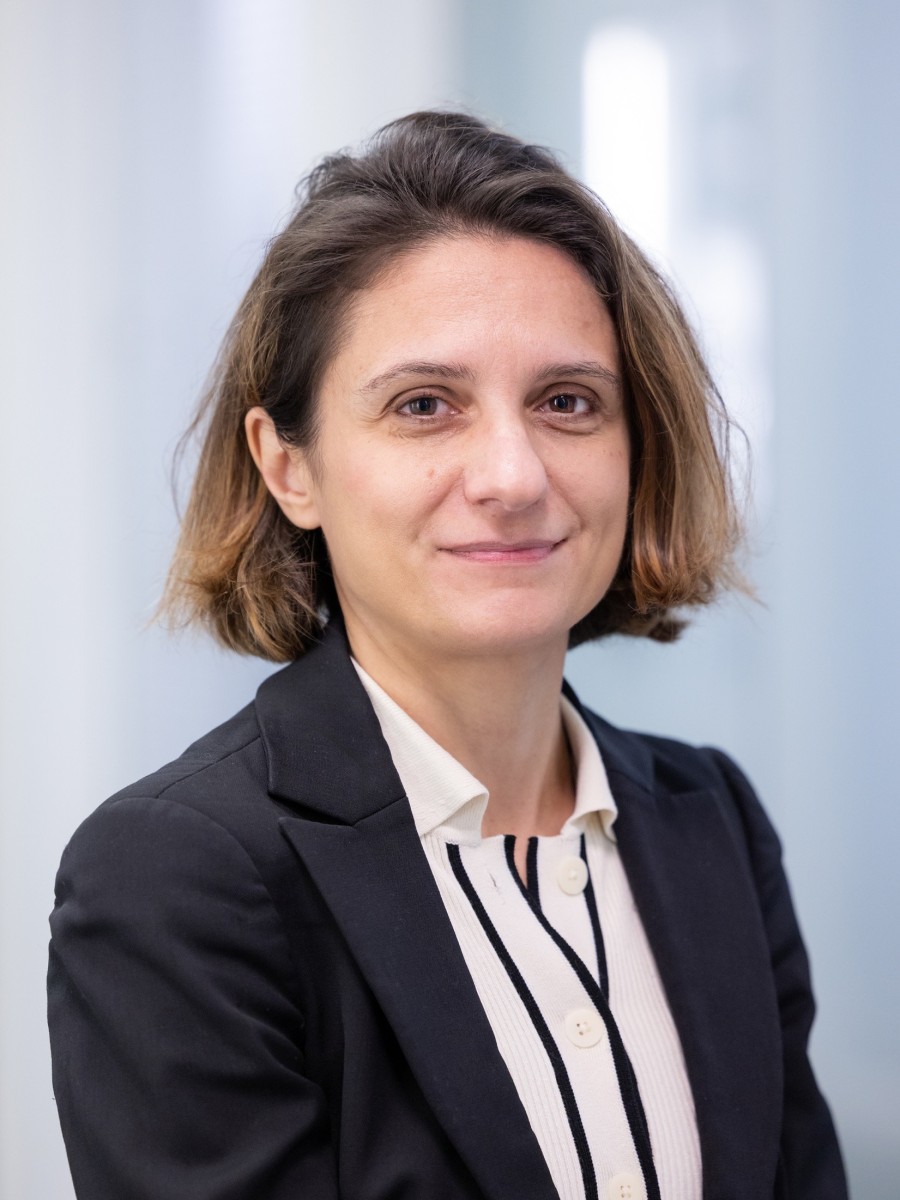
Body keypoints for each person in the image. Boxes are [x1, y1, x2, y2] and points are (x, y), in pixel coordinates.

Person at [47, 111, 848, 1200]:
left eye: (568, 402)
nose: (513, 476)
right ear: (288, 468)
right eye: (425, 405)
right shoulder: (177, 877)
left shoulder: (715, 823)